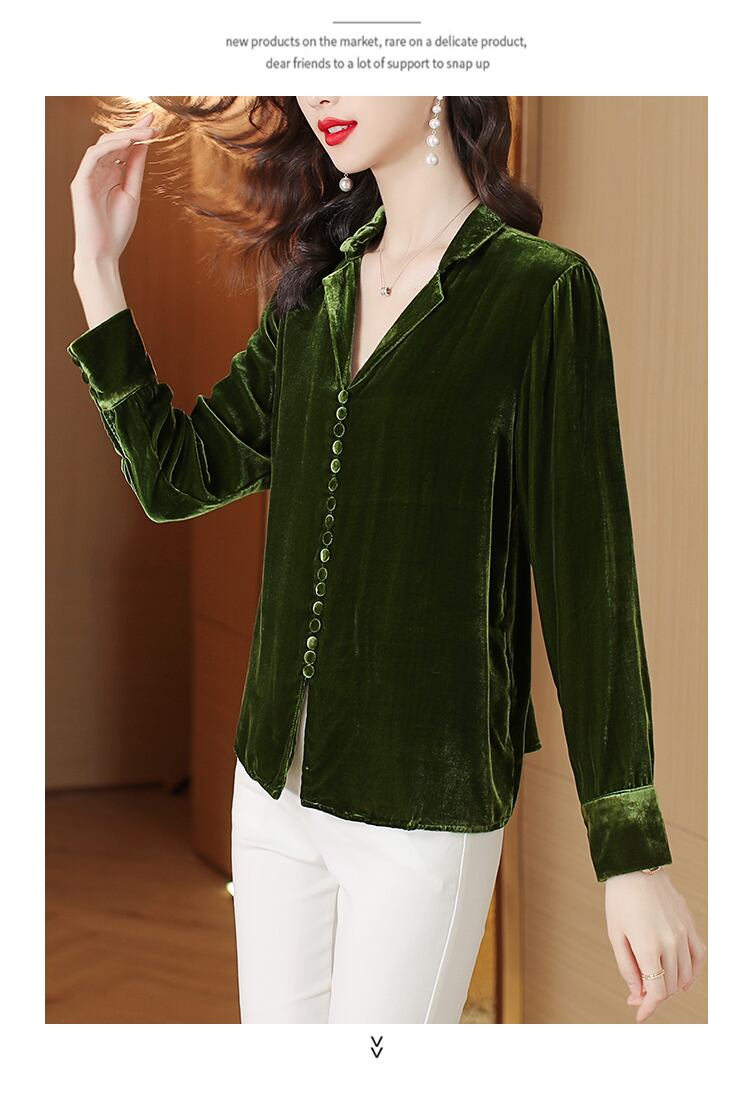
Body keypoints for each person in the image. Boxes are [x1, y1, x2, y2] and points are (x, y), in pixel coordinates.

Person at [66, 96, 705, 1023]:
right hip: (272, 791)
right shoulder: (315, 289)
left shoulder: (538, 292)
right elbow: (177, 477)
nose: (324, 90)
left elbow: (589, 586)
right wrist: (96, 267)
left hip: (422, 810)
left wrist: (631, 853)